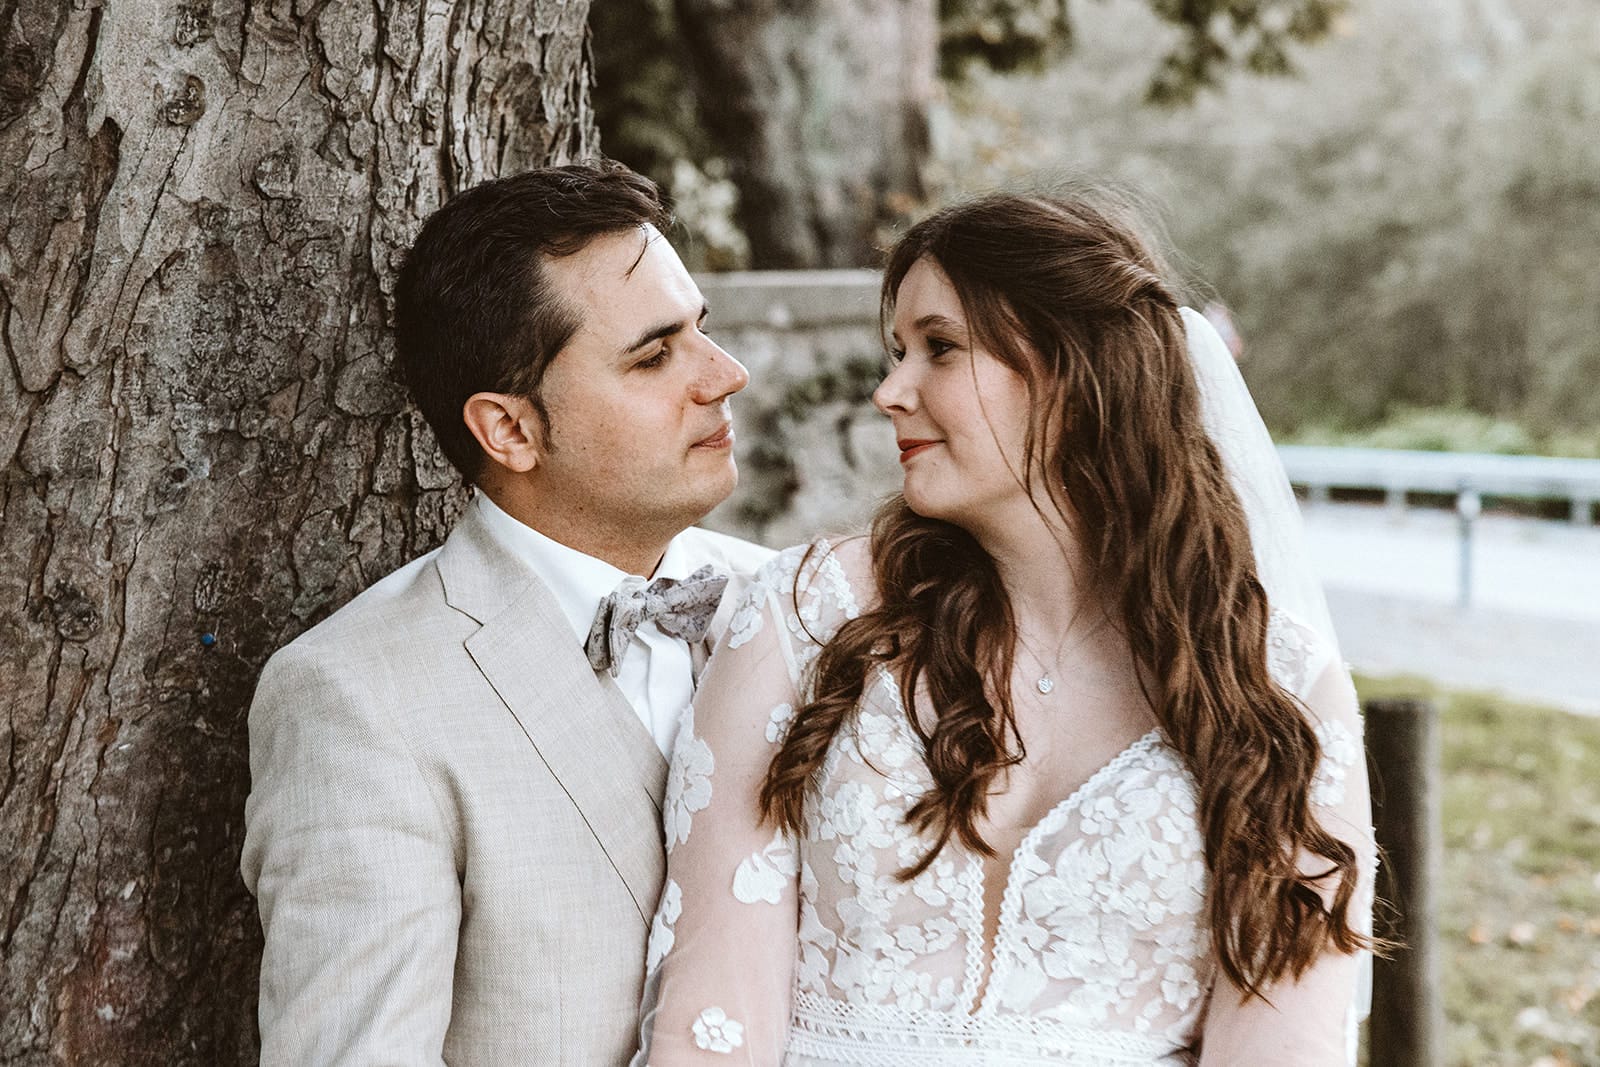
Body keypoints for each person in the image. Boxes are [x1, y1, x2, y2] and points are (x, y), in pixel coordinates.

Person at [635, 191, 1376, 1065]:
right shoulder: (803, 614)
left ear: (1071, 368)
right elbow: (711, 1021)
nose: (889, 392)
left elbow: (1279, 1045)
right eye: (896, 351)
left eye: (939, 348)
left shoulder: (1273, 683)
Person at [241, 162, 772, 1066]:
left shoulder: (797, 608)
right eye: (653, 355)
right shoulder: (357, 697)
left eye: (703, 331)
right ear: (510, 430)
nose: (725, 376)